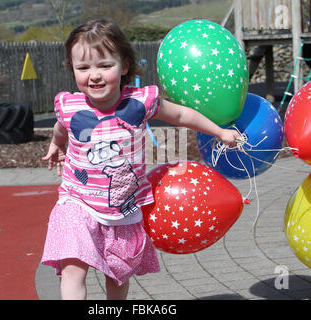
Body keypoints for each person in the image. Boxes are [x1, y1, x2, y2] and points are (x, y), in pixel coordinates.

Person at [41, 18, 241, 300]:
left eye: (104, 65)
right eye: (83, 68)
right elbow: (61, 127)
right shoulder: (69, 105)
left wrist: (219, 131)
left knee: (118, 275)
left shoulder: (139, 102)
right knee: (74, 266)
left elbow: (182, 115)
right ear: (72, 69)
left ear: (124, 66)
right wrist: (55, 144)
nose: (94, 75)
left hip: (123, 209)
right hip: (77, 201)